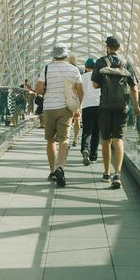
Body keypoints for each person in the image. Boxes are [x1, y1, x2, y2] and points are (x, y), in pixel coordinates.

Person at [90, 36, 140, 189]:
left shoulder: (100, 61)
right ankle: (117, 173)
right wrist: (136, 105)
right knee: (118, 139)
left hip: (105, 106)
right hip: (122, 106)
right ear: (118, 47)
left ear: (107, 47)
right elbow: (134, 87)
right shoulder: (126, 63)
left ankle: (106, 173)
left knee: (105, 139)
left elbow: (95, 85)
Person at [36, 45, 84, 187]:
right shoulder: (73, 69)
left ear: (53, 55)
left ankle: (52, 171)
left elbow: (38, 89)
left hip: (49, 108)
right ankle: (60, 168)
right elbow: (80, 91)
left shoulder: (46, 68)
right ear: (66, 55)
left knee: (50, 140)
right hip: (66, 108)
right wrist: (78, 108)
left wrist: (47, 90)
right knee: (64, 139)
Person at [78, 58, 101, 165]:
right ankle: (93, 156)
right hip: (98, 106)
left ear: (86, 67)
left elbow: (80, 92)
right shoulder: (99, 76)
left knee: (87, 130)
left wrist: (78, 107)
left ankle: (85, 149)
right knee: (96, 131)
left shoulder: (82, 77)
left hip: (86, 106)